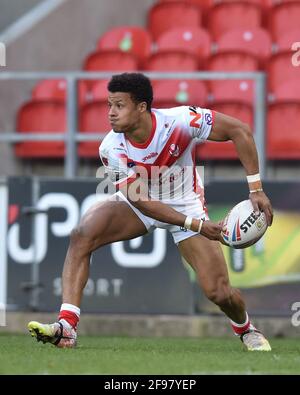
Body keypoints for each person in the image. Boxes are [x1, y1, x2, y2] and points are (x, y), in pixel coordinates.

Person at [28, 72, 273, 351]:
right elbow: (142, 201)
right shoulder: (111, 148)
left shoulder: (181, 121)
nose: (110, 113)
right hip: (141, 204)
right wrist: (197, 225)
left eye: (119, 105)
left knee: (219, 292)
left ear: (141, 107)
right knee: (82, 234)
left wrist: (255, 189)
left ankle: (246, 329)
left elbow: (239, 130)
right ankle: (67, 327)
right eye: (109, 105)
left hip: (185, 202)